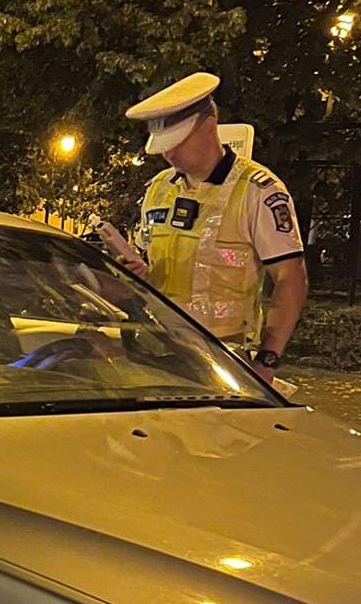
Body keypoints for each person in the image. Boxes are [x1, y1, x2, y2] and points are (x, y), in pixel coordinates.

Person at [98, 72, 309, 384]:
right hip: (153, 352)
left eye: (177, 143)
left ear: (209, 126)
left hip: (221, 363)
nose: (169, 155)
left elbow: (291, 279)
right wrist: (133, 273)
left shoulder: (258, 191)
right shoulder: (159, 188)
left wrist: (267, 361)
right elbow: (150, 267)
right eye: (163, 146)